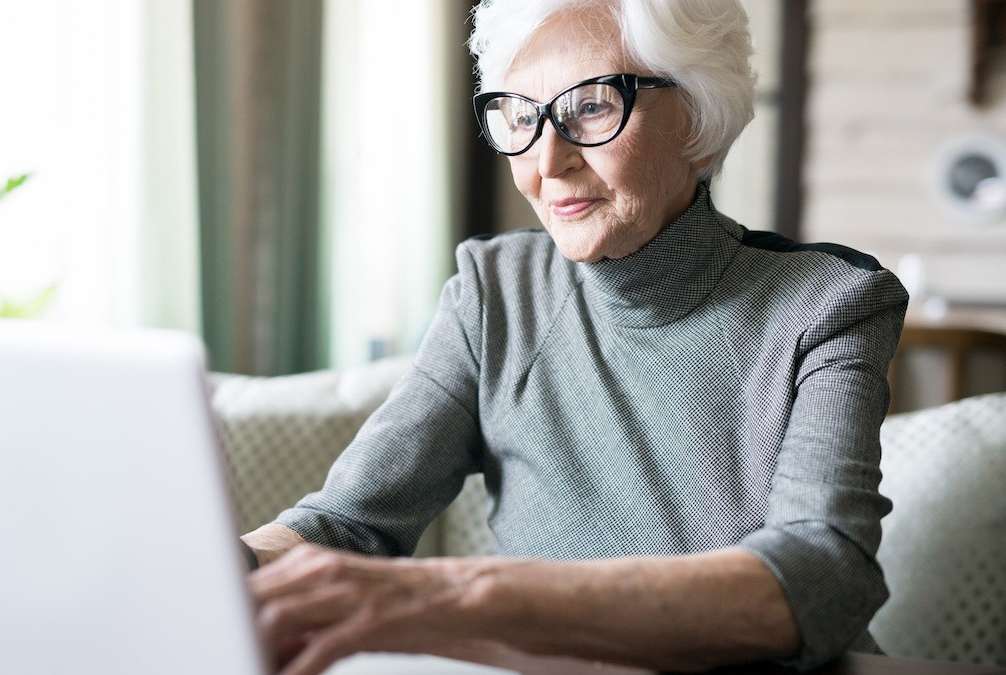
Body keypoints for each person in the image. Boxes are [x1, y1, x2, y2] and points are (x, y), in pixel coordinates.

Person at [242, 1, 909, 674]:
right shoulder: (493, 292)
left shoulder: (829, 304)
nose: (548, 159)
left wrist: (464, 594)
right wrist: (216, 566)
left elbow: (821, 573)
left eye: (591, 106)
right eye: (523, 115)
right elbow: (348, 522)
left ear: (700, 121)